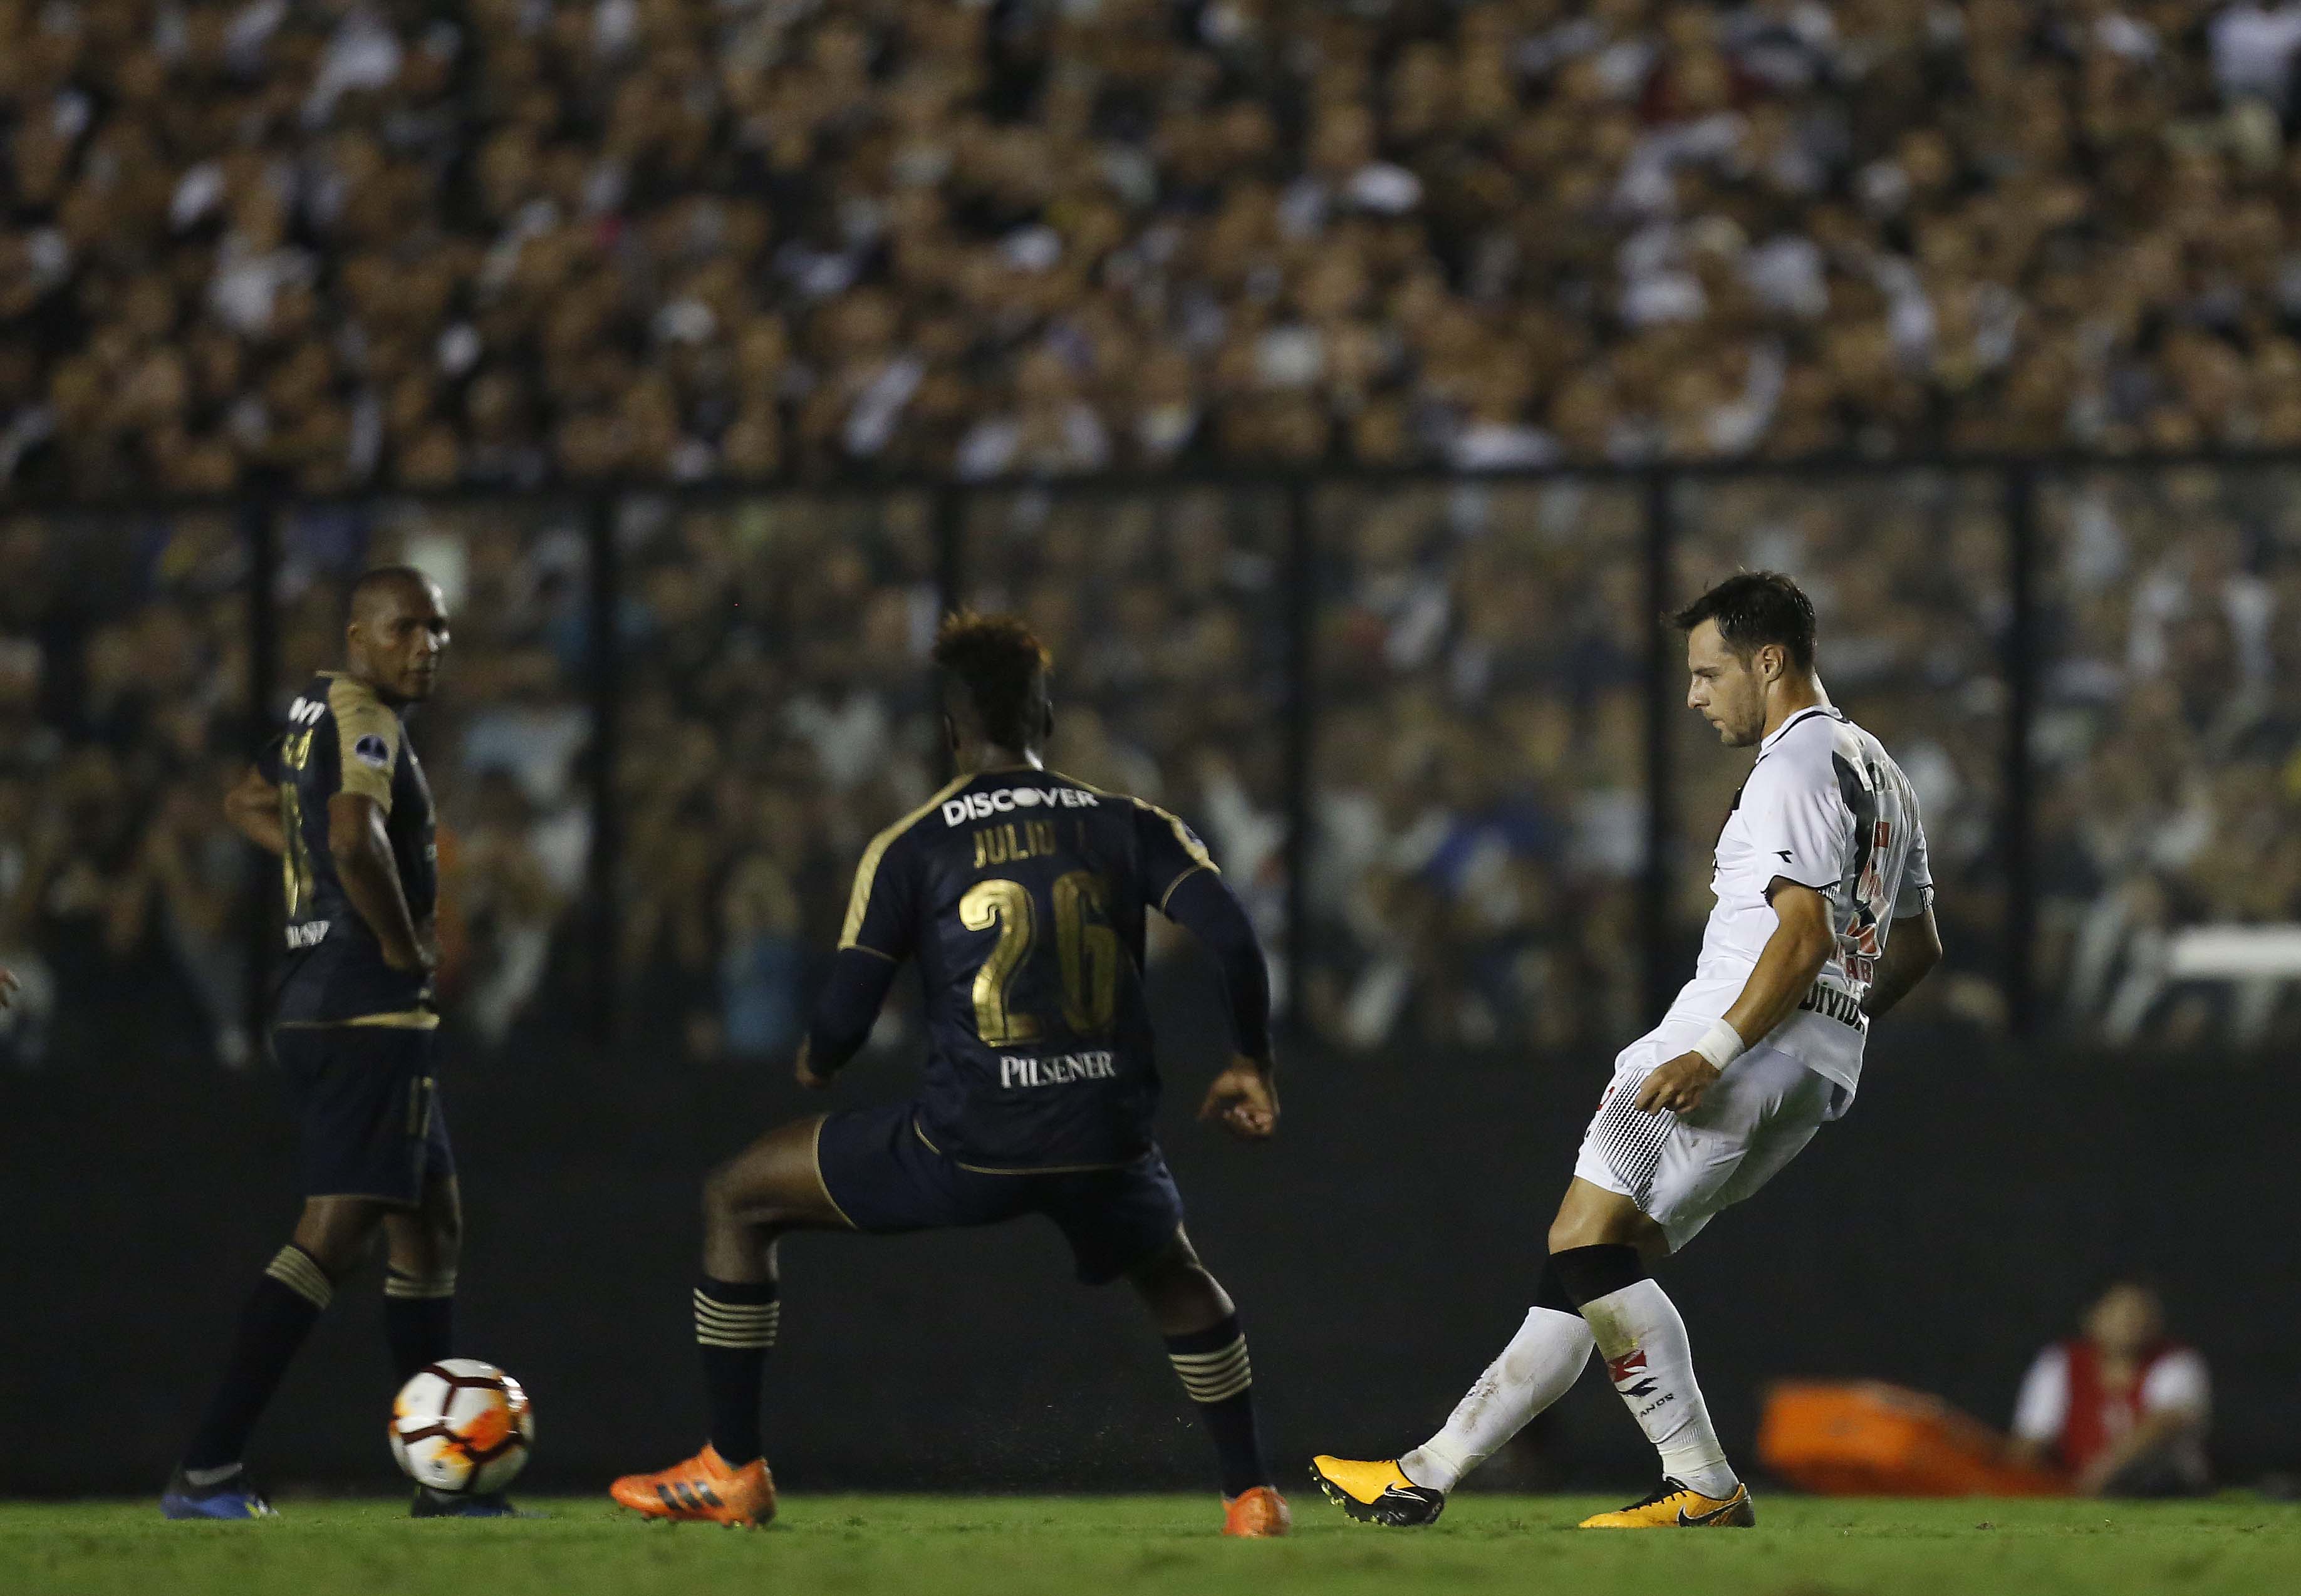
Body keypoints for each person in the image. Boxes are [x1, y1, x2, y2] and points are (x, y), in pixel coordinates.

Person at [608, 613, 1291, 1536]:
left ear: (949, 732)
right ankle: (1251, 1495)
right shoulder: (1127, 822)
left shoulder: (911, 845)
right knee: (1175, 1276)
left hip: (969, 1142)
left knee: (737, 1195)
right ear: (1045, 718)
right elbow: (1232, 936)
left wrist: (818, 1059)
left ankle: (732, 1469)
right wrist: (1250, 1061)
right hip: (1103, 1138)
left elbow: (845, 1018)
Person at [1314, 571, 1943, 1529]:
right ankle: (1425, 1471)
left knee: (1583, 1245)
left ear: (1768, 662)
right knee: (1593, 1267)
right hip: (1812, 1064)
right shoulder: (1879, 768)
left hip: (1727, 1044)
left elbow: (1803, 933)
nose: (1693, 696)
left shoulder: (1794, 765)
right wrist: (1835, 1024)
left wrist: (1717, 1050)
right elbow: (1917, 946)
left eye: (1707, 673)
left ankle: (1702, 1483)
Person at [163, 567, 513, 1520]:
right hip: (366, 1006)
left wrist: (320, 864)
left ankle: (445, 1485)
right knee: (333, 1233)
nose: (426, 647)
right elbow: (355, 837)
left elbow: (248, 802)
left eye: (438, 629)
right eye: (405, 628)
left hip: (325, 1001)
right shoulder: (365, 717)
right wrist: (403, 942)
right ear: (358, 635)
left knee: (431, 1227)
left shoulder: (310, 709)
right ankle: (207, 1468)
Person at [2011, 1282, 2211, 1497]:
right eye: (2119, 1311)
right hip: (2074, 1484)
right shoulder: (2061, 1362)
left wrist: (2102, 1473)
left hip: (2162, 1487)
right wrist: (2019, 1475)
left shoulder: (2177, 1361)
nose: (2130, 1322)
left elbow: (2162, 1424)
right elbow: (2032, 1439)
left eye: (2139, 1312)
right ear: (2092, 1317)